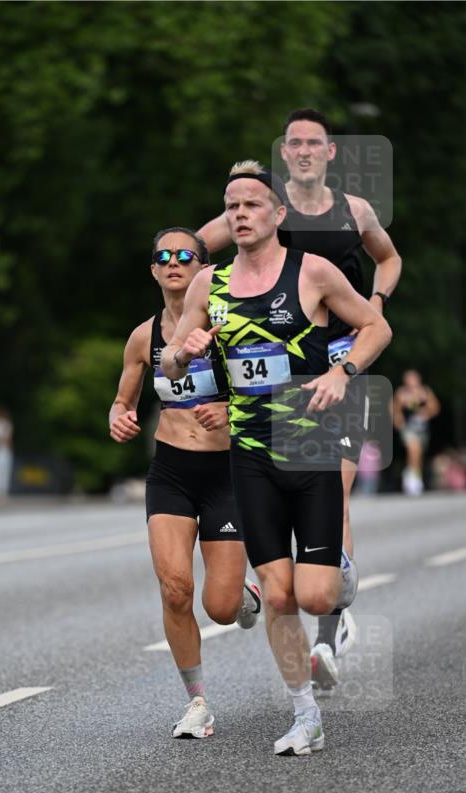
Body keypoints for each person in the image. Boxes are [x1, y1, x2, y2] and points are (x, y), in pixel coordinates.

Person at [161, 163, 391, 755]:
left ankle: (339, 569)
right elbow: (170, 367)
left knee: (315, 595)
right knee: (278, 592)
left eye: (252, 205)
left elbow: (375, 329)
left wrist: (342, 373)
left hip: (307, 441)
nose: (240, 214)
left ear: (278, 214)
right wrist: (182, 356)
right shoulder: (206, 286)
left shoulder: (312, 271)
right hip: (250, 452)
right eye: (231, 205)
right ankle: (305, 714)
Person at [198, 109, 402, 690]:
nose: (306, 150)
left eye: (316, 142)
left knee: (331, 486)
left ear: (331, 152)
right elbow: (194, 251)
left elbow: (388, 258)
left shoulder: (355, 211)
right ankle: (284, 581)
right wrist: (206, 310)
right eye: (296, 143)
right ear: (284, 153)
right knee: (275, 482)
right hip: (271, 378)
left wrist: (378, 301)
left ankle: (329, 632)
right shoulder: (260, 205)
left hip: (339, 364)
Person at [109, 227, 260, 739]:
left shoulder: (229, 329)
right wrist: (119, 417)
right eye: (163, 256)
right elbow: (123, 401)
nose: (174, 263)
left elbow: (275, 396)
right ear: (153, 269)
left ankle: (245, 596)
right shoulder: (143, 336)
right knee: (175, 589)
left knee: (220, 608)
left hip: (228, 473)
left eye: (185, 256)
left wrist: (231, 408)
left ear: (203, 267)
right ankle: (197, 702)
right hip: (171, 470)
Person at [392, 369, 440, 495]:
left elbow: (435, 407)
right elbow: (394, 409)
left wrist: (426, 413)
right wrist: (398, 421)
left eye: (413, 379)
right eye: (408, 379)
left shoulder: (425, 392)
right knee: (414, 449)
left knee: (418, 454)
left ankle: (412, 474)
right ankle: (413, 480)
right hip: (408, 428)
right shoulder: (401, 393)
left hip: (422, 428)